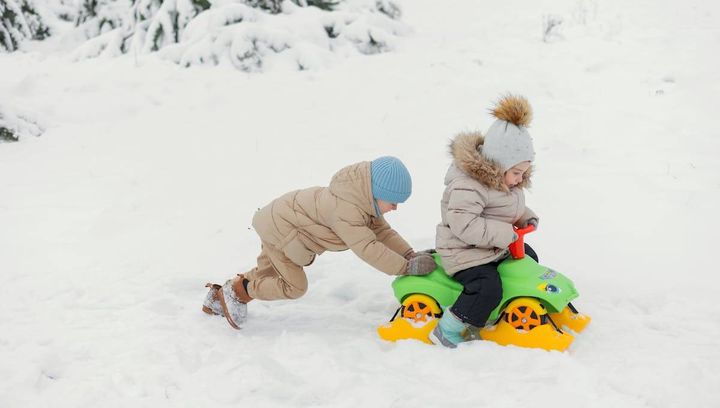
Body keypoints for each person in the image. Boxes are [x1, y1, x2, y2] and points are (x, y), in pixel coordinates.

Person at [202, 156, 437, 329]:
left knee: (269, 273)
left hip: (279, 220)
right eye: (393, 202)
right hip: (281, 230)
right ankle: (235, 293)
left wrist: (408, 254)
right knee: (294, 286)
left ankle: (219, 298)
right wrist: (406, 268)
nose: (395, 208)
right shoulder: (347, 210)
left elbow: (383, 233)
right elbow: (368, 248)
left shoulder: (361, 202)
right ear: (375, 192)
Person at [431, 94, 540, 348]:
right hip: (465, 253)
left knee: (529, 258)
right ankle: (449, 329)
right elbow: (464, 224)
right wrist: (505, 234)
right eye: (516, 173)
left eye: (523, 174)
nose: (519, 180)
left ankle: (503, 308)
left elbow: (505, 208)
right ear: (498, 164)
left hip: (489, 248)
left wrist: (526, 217)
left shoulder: (503, 182)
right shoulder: (468, 185)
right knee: (486, 287)